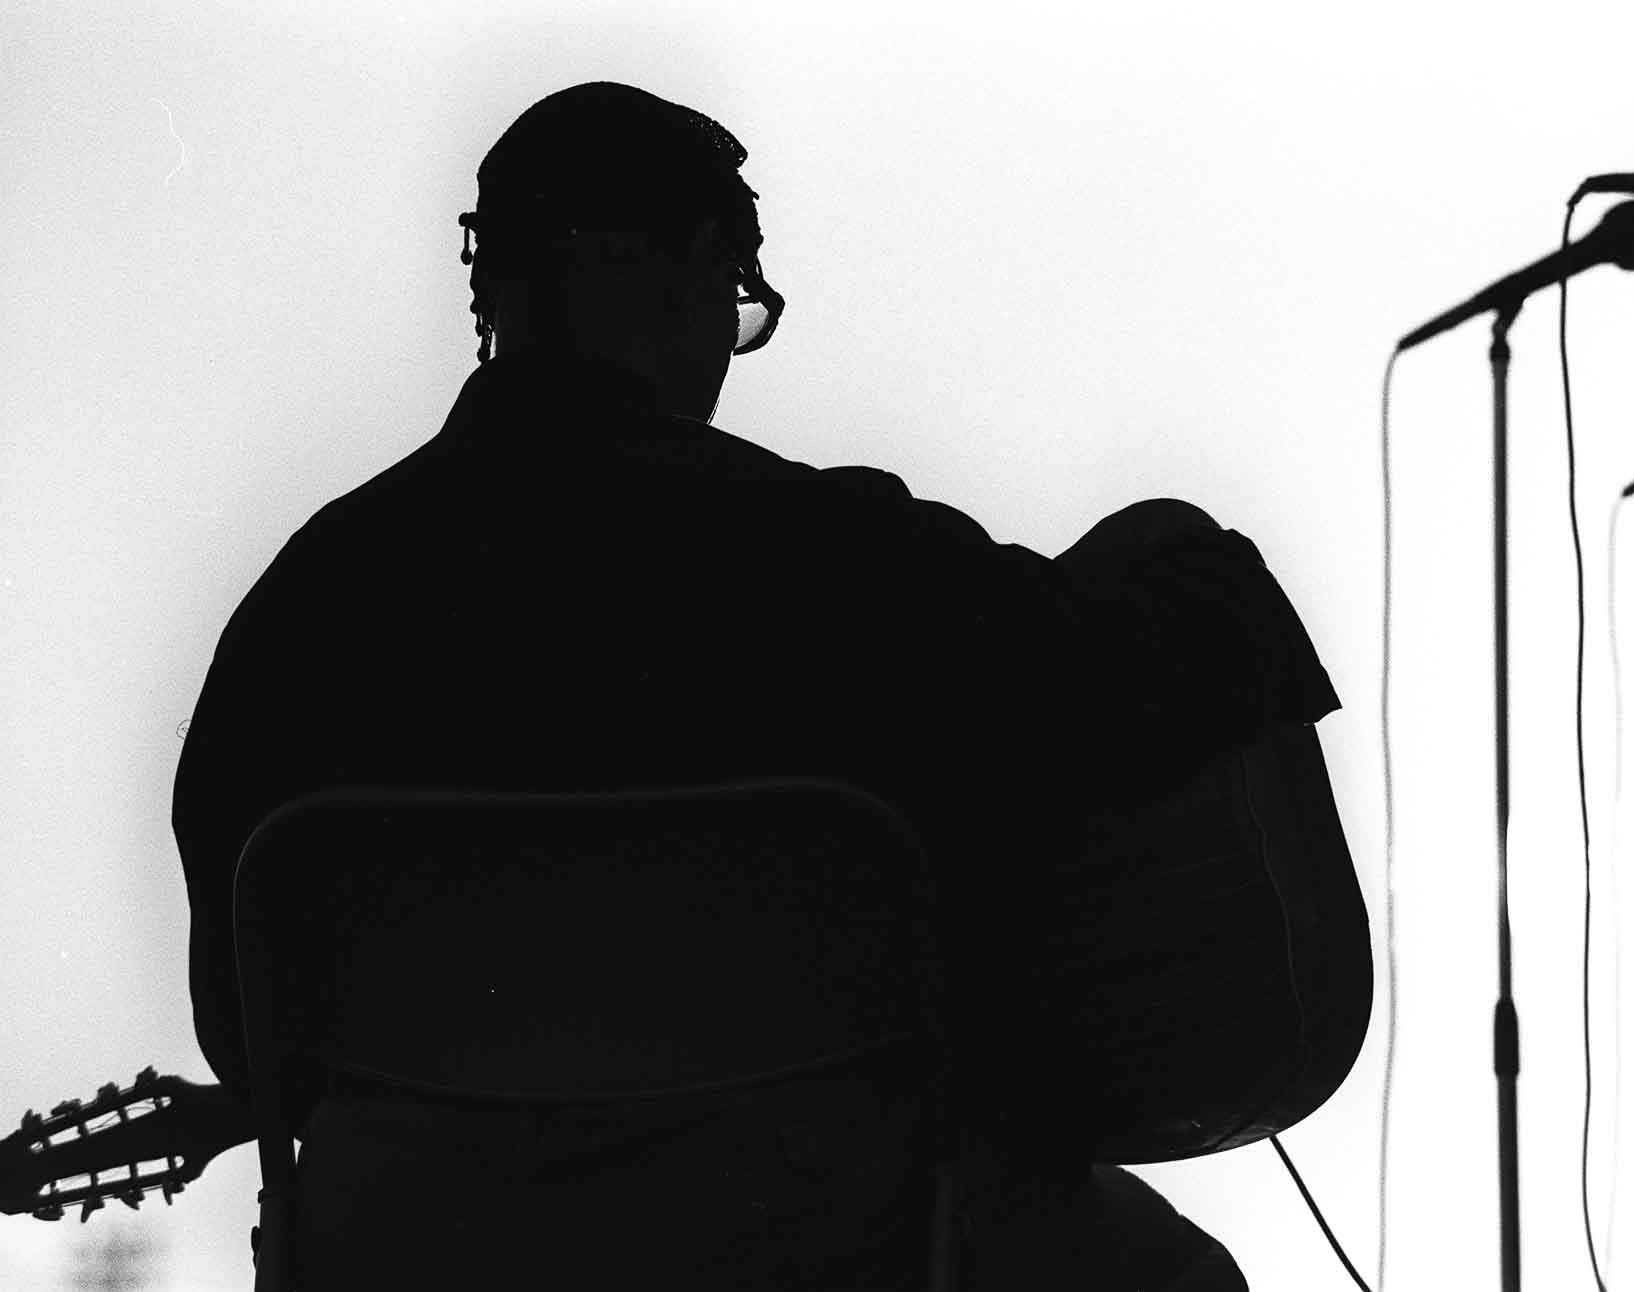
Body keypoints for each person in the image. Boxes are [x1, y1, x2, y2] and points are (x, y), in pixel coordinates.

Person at [172, 81, 1360, 1289]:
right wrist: (1203, 568)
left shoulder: (297, 615)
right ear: (671, 268)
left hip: (419, 1243)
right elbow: (1113, 682)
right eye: (735, 297)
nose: (729, 345)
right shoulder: (827, 557)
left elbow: (245, 1025)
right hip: (817, 1230)